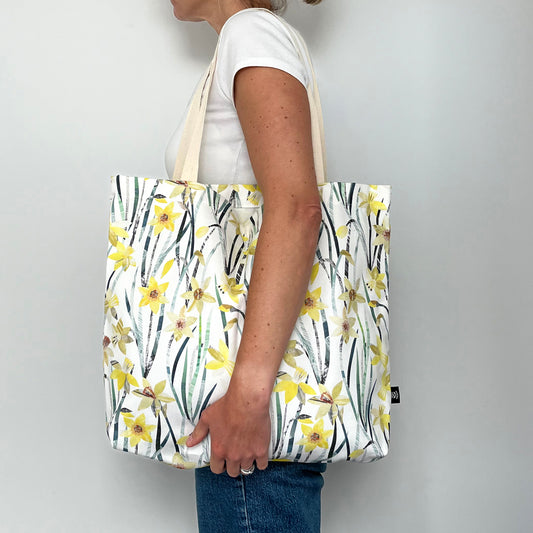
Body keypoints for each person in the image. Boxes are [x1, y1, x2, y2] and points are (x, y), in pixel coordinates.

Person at [165, 1, 327, 531]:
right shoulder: (247, 41)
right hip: (240, 401)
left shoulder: (251, 33)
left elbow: (297, 208)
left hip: (251, 410)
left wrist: (249, 398)